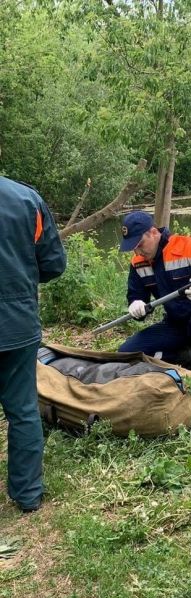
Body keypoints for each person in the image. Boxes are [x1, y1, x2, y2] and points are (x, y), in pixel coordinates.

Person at [0, 176, 67, 513]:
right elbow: (54, 264)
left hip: (15, 321)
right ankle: (27, 496)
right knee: (23, 411)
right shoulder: (26, 200)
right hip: (16, 323)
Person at [117, 211, 191, 398]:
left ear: (153, 232)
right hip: (175, 323)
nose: (137, 252)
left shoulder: (190, 247)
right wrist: (136, 305)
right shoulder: (138, 263)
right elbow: (137, 296)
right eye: (132, 247)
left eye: (139, 244)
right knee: (127, 352)